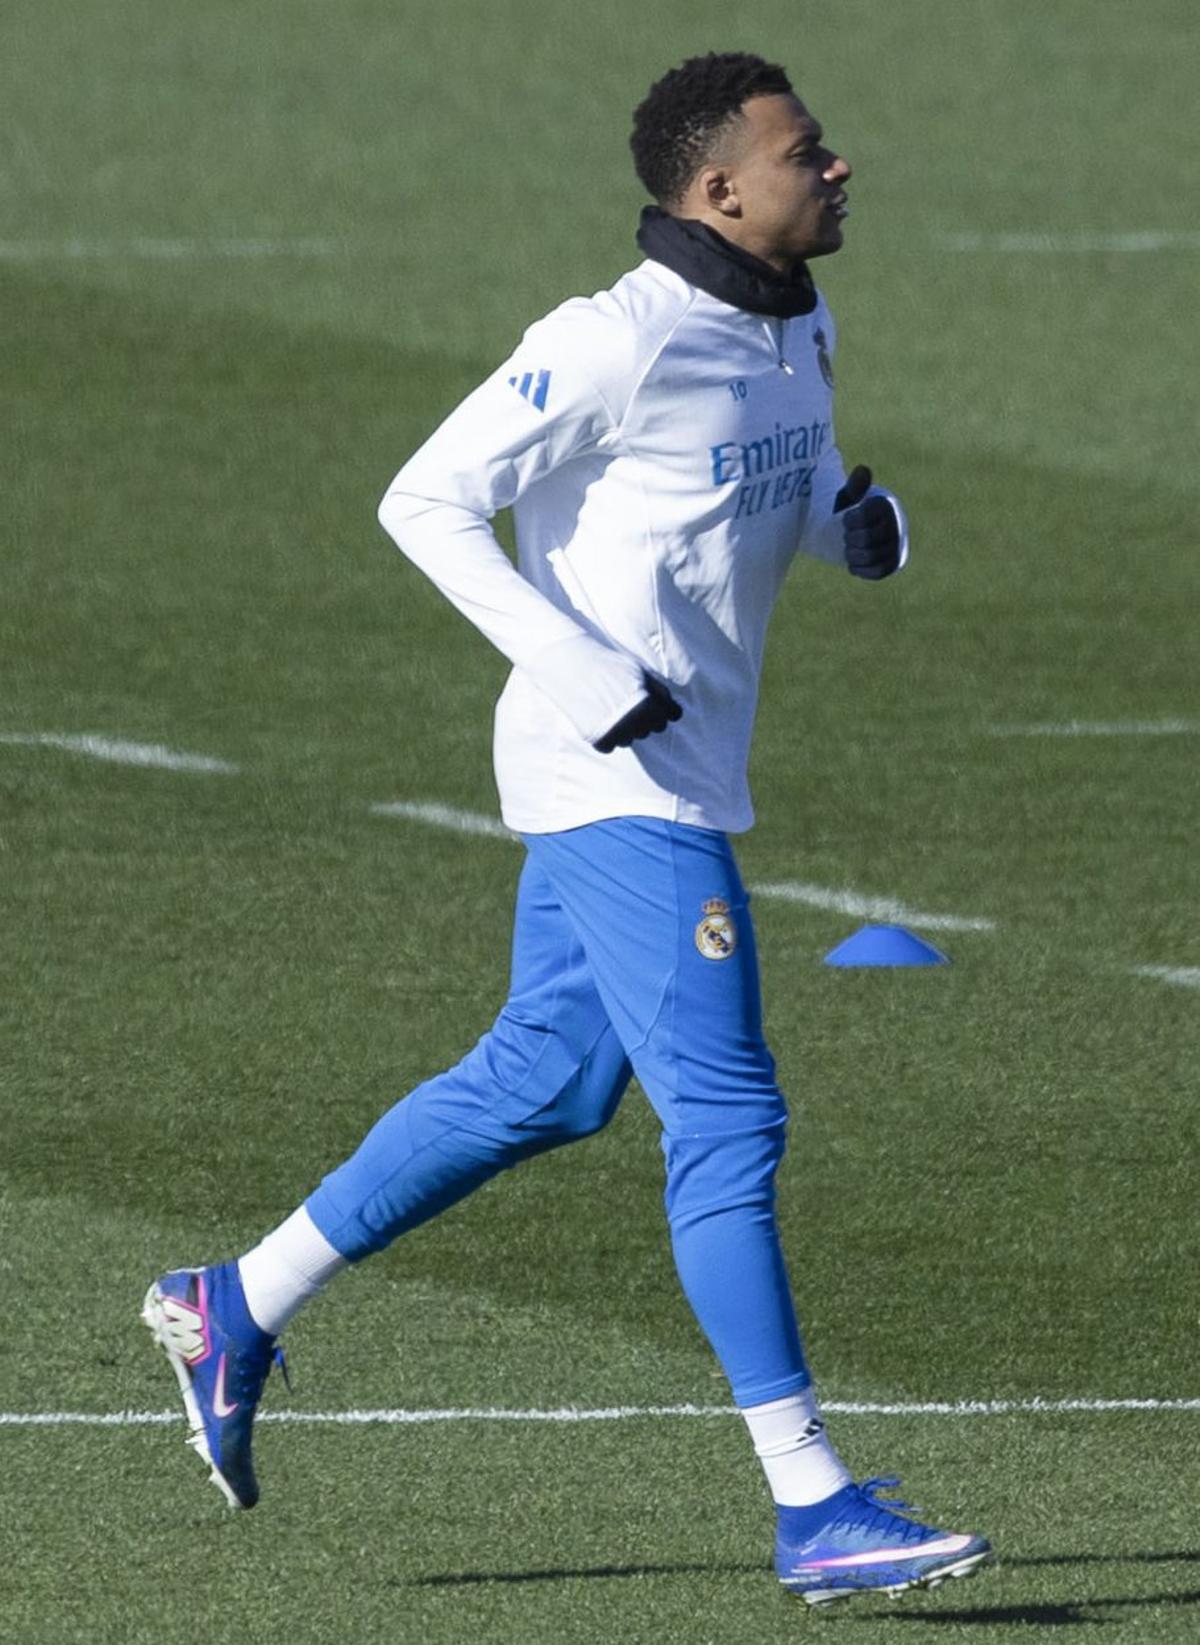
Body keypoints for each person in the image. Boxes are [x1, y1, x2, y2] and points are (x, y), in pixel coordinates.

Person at [142, 51, 991, 1607]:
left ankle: (235, 1301)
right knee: (728, 1123)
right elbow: (423, 500)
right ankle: (814, 1502)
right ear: (720, 188)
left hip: (679, 771)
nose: (842, 167)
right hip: (616, 779)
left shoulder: (796, 320)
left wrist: (848, 520)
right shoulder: (612, 343)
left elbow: (762, 488)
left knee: (545, 1081)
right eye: (810, 152)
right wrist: (581, 663)